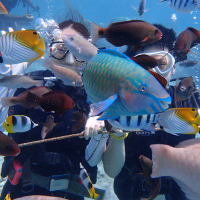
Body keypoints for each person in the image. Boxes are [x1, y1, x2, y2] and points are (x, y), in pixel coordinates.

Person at [85, 24, 199, 200]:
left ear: (174, 67)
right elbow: (111, 170)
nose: (153, 72)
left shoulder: (191, 101)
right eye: (143, 66)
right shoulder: (118, 103)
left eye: (162, 64)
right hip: (134, 193)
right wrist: (116, 130)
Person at [0, 18, 101, 200]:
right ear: (50, 49)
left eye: (77, 51)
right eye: (62, 49)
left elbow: (104, 163)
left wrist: (106, 131)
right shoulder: (24, 83)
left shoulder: (95, 96)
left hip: (71, 192)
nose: (69, 59)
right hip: (21, 190)